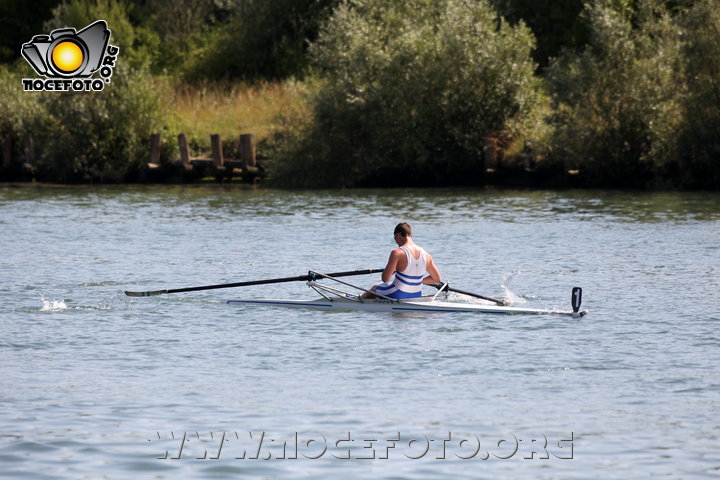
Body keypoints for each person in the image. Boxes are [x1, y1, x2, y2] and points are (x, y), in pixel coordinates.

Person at [362, 222, 442, 299]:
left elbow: (385, 279)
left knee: (376, 288)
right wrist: (415, 281)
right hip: (416, 295)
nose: (396, 241)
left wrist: (390, 270)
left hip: (397, 293)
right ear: (411, 235)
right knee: (386, 288)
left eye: (394, 238)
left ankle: (359, 301)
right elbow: (436, 278)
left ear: (398, 235)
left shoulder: (397, 253)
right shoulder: (426, 255)